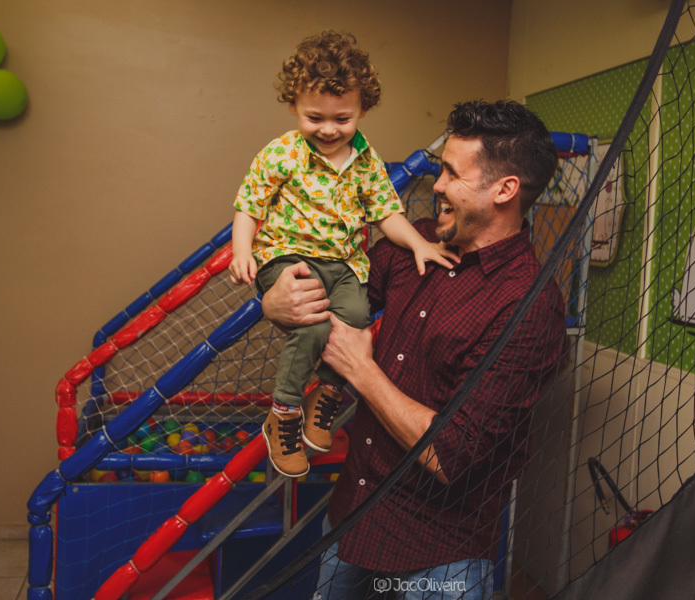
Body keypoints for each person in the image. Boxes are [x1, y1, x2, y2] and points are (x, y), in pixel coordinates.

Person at [263, 99, 568, 599]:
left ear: (504, 190)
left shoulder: (529, 308)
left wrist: (362, 373)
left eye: (451, 173)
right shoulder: (414, 245)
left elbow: (455, 456)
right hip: (352, 521)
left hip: (438, 556)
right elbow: (332, 321)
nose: (439, 186)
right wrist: (279, 303)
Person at [229, 31, 456, 477]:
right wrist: (242, 252)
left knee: (356, 322)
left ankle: (326, 395)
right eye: (315, 117)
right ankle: (285, 412)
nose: (329, 129)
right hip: (286, 257)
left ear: (362, 111)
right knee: (313, 327)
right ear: (294, 104)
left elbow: (386, 213)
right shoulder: (281, 153)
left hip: (344, 264)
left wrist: (419, 243)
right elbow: (249, 205)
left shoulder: (365, 158)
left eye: (343, 118)